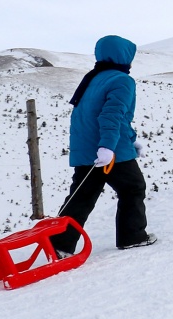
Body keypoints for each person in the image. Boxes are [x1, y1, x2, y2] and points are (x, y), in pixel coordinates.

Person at [54, 35, 154, 255]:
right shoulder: (121, 80)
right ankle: (133, 236)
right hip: (112, 151)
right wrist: (108, 147)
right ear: (124, 56)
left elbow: (88, 116)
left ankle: (60, 244)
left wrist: (130, 139)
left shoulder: (93, 79)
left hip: (88, 150)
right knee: (133, 188)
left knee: (81, 197)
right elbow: (112, 115)